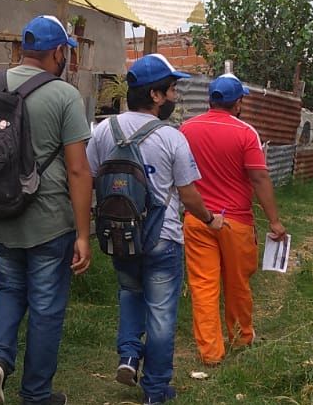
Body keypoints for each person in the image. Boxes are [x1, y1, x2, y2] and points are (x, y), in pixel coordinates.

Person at [0, 15, 94, 405]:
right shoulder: (64, 95)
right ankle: (36, 394)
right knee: (45, 307)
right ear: (58, 52)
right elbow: (78, 168)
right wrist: (84, 235)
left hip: (1, 214)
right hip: (49, 222)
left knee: (9, 290)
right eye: (64, 53)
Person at [86, 54, 224, 405]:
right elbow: (189, 195)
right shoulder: (171, 137)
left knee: (130, 294)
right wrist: (210, 220)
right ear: (156, 96)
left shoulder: (104, 130)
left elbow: (89, 177)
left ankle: (129, 357)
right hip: (163, 238)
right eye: (173, 90)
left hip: (119, 235)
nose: (176, 96)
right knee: (161, 314)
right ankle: (156, 389)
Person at [179, 74, 287, 367]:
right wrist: (274, 221)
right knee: (237, 282)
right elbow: (259, 177)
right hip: (235, 223)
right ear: (238, 102)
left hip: (198, 219)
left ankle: (211, 353)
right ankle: (241, 338)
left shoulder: (186, 129)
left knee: (203, 285)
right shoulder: (246, 133)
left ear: (210, 99)